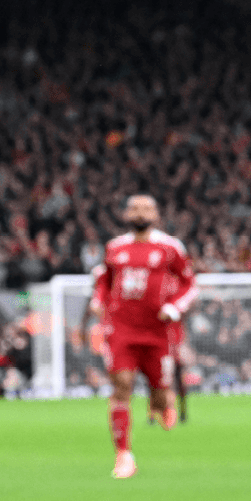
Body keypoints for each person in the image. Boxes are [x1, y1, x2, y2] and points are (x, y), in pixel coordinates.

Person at [87, 194, 196, 478]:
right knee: (121, 386)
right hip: (121, 329)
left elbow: (189, 284)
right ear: (126, 214)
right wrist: (98, 301)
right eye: (134, 208)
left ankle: (161, 403)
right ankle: (123, 455)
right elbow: (103, 281)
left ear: (156, 215)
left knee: (160, 393)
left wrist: (174, 307)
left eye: (146, 208)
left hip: (158, 331)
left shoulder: (170, 248)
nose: (140, 213)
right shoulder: (115, 248)